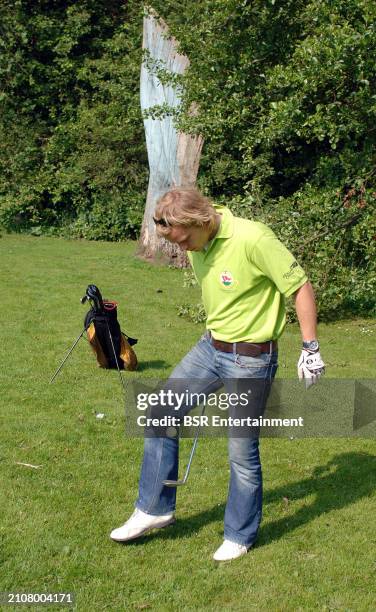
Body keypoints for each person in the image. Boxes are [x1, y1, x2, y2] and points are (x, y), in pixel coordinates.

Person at [110, 187, 325, 561]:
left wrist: (310, 348)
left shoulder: (253, 237)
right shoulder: (197, 240)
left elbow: (300, 286)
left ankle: (240, 534)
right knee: (161, 412)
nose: (185, 250)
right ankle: (154, 509)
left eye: (185, 240)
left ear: (202, 221)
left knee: (241, 449)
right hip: (210, 348)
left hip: (251, 360)